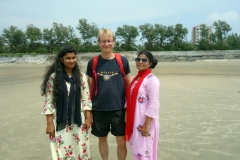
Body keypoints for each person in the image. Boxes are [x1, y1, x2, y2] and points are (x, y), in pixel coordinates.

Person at [86, 28, 131, 160]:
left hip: (119, 109)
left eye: (109, 41)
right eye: (103, 41)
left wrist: (129, 110)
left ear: (114, 42)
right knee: (102, 139)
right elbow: (88, 88)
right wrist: (89, 112)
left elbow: (129, 86)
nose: (107, 44)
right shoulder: (93, 62)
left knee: (121, 141)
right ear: (99, 43)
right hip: (99, 109)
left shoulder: (122, 61)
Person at [41, 45, 92, 160]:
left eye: (74, 57)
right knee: (62, 148)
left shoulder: (81, 77)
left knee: (80, 147)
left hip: (78, 120)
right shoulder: (54, 78)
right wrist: (49, 124)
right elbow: (49, 102)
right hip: (60, 120)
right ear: (61, 59)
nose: (72, 60)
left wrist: (88, 118)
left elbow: (86, 98)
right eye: (68, 58)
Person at [125, 50, 160, 160]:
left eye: (144, 60)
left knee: (145, 150)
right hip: (136, 120)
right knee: (137, 150)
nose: (140, 62)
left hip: (145, 121)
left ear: (150, 63)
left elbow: (154, 104)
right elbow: (130, 98)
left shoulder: (152, 80)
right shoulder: (136, 79)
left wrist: (146, 125)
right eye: (138, 59)